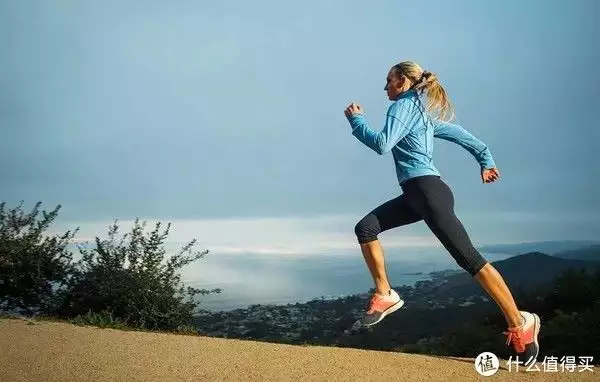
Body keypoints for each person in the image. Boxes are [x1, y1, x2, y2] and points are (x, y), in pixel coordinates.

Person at [343, 60, 540, 365]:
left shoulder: (403, 107)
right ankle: (385, 293)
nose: (385, 87)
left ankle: (520, 323)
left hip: (428, 194)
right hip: (417, 194)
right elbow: (460, 134)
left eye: (389, 80)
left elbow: (382, 144)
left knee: (470, 260)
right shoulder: (420, 113)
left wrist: (357, 121)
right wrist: (485, 159)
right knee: (366, 228)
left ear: (404, 82)